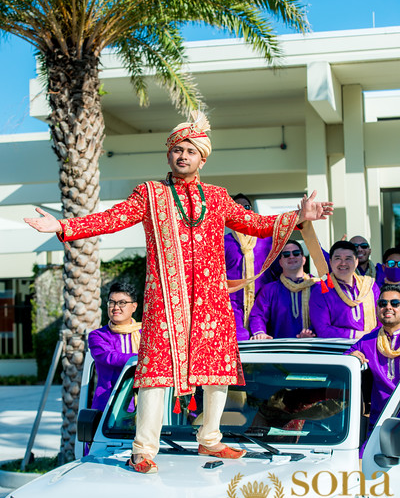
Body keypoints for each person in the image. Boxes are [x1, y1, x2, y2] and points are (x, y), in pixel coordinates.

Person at [24, 110, 333, 474]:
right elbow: (111, 219)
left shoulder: (217, 198)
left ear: (202, 157)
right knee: (154, 373)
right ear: (168, 155)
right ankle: (143, 450)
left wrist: (299, 215)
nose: (183, 156)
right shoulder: (150, 194)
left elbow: (256, 224)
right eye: (177, 150)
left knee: (217, 370)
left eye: (190, 150)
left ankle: (211, 439)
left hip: (211, 299)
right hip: (165, 301)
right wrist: (62, 225)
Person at [344, 283, 400, 433]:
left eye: (395, 303)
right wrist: (351, 358)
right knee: (363, 456)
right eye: (383, 303)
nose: (388, 307)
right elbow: (343, 363)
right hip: (380, 422)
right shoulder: (368, 341)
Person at [224, 193, 273, 341]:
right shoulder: (223, 242)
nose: (242, 210)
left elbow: (281, 269)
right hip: (233, 305)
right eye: (237, 207)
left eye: (246, 207)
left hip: (263, 304)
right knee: (240, 342)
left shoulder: (267, 240)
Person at [310, 240, 379, 339]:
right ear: (330, 262)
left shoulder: (370, 286)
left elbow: (382, 322)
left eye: (348, 258)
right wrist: (359, 335)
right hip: (339, 350)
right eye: (338, 258)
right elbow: (323, 330)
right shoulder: (321, 290)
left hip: (371, 346)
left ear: (356, 262)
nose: (343, 263)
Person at [248, 240, 317, 339]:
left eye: (296, 253)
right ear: (280, 262)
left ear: (304, 259)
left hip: (313, 348)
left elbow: (324, 317)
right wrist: (260, 333)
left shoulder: (317, 287)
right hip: (279, 349)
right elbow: (258, 315)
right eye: (286, 254)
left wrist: (310, 332)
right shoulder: (269, 290)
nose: (291, 256)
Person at [89, 281, 141, 411]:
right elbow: (110, 357)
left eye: (122, 303)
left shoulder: (146, 334)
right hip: (109, 408)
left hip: (145, 405)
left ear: (134, 306)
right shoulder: (98, 336)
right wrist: (143, 359)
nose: (116, 307)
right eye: (112, 302)